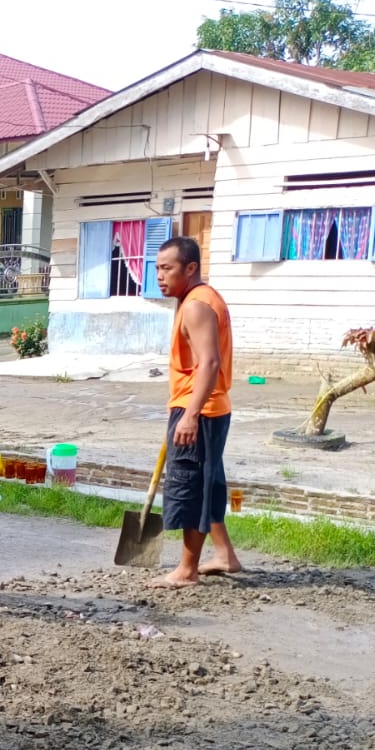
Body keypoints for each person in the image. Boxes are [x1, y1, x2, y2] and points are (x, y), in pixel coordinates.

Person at [150, 235, 244, 588]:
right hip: (206, 407)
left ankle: (186, 570)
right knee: (209, 481)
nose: (160, 276)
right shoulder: (203, 297)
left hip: (200, 409)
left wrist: (189, 415)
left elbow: (209, 362)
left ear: (190, 268)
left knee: (191, 485)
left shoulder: (195, 305)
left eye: (168, 268)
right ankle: (225, 556)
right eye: (157, 268)